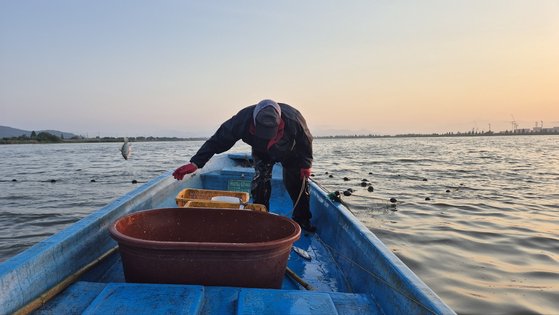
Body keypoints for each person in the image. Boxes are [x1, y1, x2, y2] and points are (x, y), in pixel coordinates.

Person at [172, 99, 316, 232]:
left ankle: (302, 219)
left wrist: (306, 164)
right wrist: (196, 163)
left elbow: (306, 139)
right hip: (261, 152)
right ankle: (261, 218)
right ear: (253, 123)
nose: (269, 138)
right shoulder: (241, 120)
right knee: (261, 181)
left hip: (290, 151)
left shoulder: (293, 118)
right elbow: (218, 140)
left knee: (297, 182)